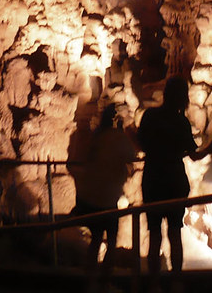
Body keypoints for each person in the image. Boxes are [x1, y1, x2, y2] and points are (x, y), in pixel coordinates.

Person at [137, 76, 212, 284]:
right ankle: (176, 281)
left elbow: (141, 144)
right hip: (173, 179)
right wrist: (211, 148)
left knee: (154, 234)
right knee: (174, 232)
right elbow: (194, 154)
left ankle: (153, 283)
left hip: (153, 178)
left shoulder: (150, 116)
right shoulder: (181, 122)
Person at [74, 103, 138, 285]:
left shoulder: (97, 136)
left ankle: (90, 280)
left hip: (92, 196)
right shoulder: (118, 138)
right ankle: (104, 281)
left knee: (95, 239)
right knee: (111, 240)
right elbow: (131, 155)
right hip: (108, 197)